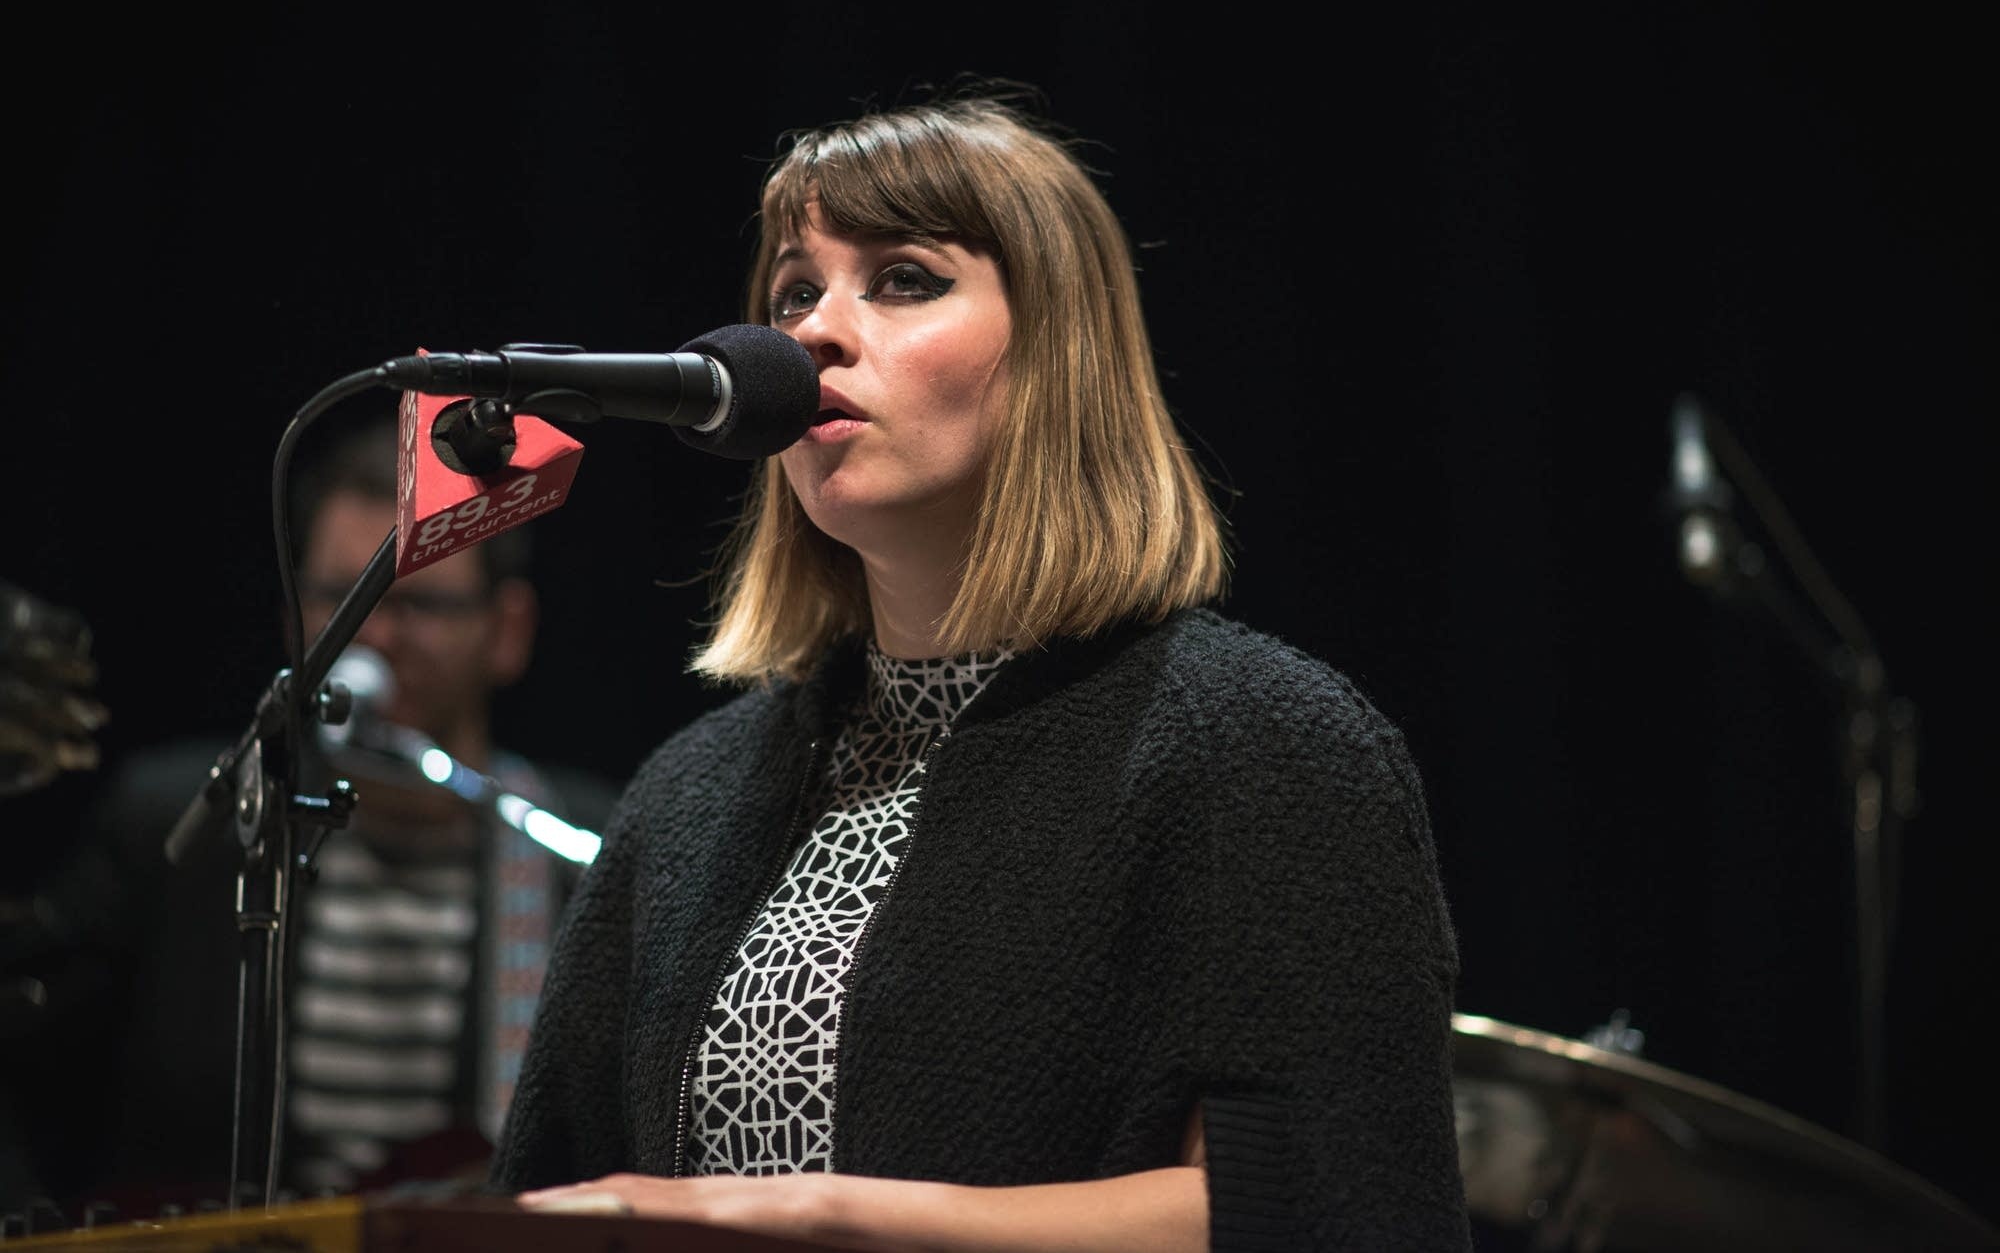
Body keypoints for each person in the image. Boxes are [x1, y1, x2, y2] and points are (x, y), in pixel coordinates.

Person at [489, 86, 1472, 1251]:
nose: (811, 334)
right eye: (795, 290)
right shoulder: (689, 797)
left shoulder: (1261, 743)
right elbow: (551, 1200)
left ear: (1058, 353)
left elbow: (1317, 1206)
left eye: (902, 279)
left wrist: (808, 1212)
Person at [4, 406, 620, 1216]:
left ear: (508, 630)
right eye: (340, 597)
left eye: (420, 604)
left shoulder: (590, 847)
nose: (374, 638)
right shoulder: (178, 819)